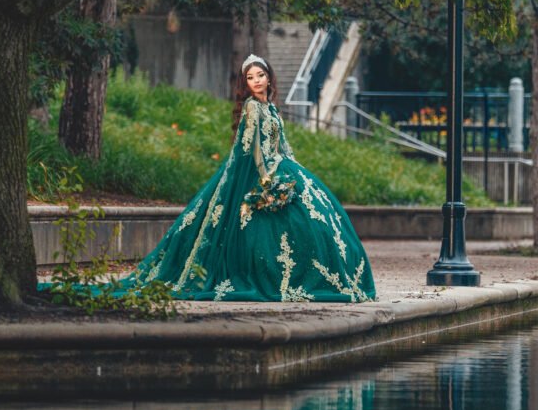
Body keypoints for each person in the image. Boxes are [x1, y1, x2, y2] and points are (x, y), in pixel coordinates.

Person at [126, 54, 377, 302]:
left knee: (315, 217)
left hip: (282, 166)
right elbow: (255, 148)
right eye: (250, 77)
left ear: (269, 78)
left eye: (260, 75)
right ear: (245, 83)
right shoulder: (252, 107)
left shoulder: (271, 108)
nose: (256, 81)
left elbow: (283, 146)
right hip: (264, 171)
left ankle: (314, 277)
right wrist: (266, 178)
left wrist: (295, 171)